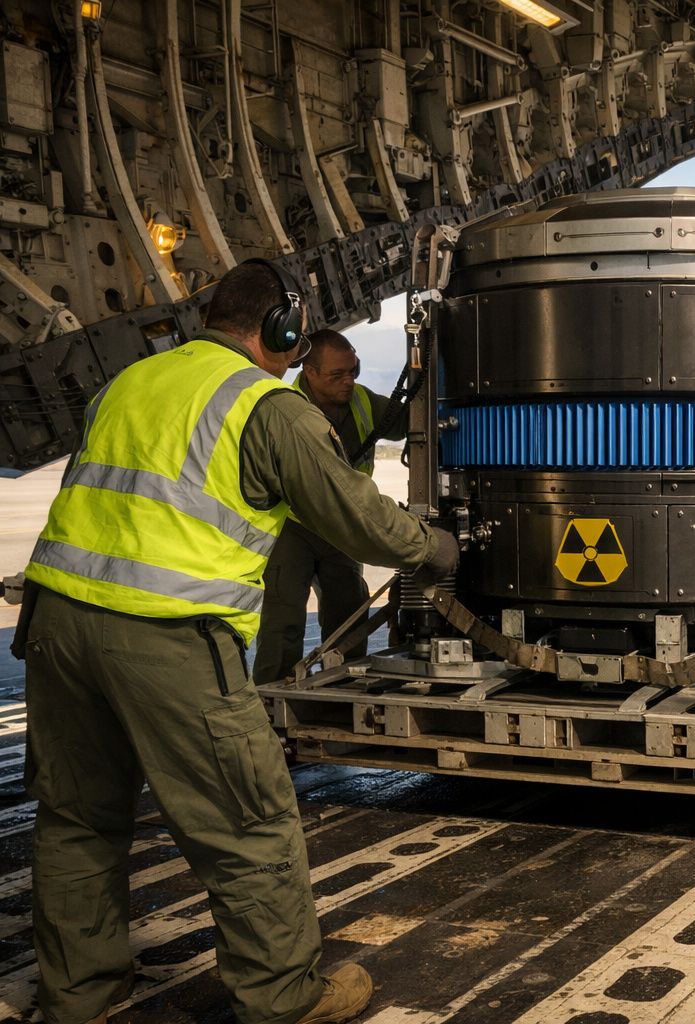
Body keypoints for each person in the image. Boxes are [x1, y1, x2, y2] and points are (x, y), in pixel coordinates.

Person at [15, 260, 457, 1024]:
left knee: (78, 819)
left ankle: (81, 992)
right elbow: (357, 518)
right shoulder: (263, 406)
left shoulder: (129, 381)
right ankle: (283, 997)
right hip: (165, 634)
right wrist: (439, 548)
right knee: (250, 820)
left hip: (56, 624)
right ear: (281, 330)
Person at [253, 330, 406, 684]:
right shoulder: (284, 407)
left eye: (353, 371)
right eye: (337, 375)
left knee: (349, 611)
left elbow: (408, 418)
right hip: (294, 526)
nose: (348, 381)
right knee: (282, 620)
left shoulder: (363, 402)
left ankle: (343, 689)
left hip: (340, 526)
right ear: (309, 372)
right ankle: (274, 697)